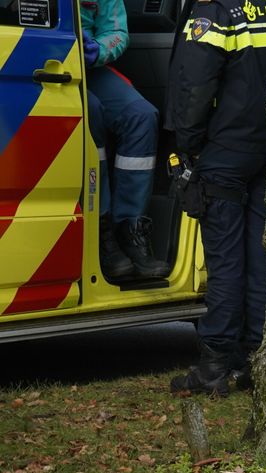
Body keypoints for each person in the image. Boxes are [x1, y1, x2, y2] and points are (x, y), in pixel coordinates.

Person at [165, 0, 266, 395]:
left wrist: (187, 145)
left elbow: (194, 84)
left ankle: (214, 365)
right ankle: (254, 359)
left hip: (224, 151)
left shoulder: (213, 9)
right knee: (257, 259)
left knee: (226, 262)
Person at [81, 0, 169, 279]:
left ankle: (130, 229)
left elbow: (116, 31)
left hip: (87, 65)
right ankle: (101, 229)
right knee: (90, 110)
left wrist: (96, 50)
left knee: (142, 116)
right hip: (38, 62)